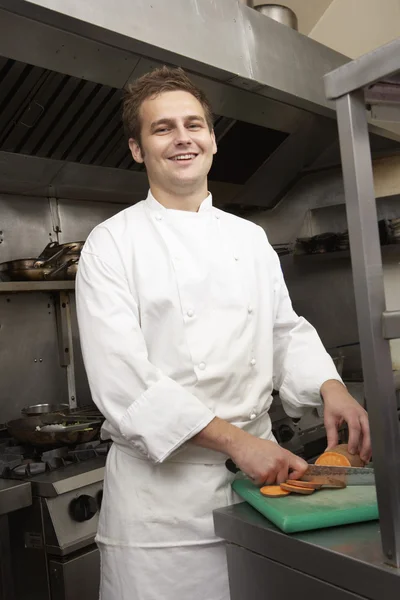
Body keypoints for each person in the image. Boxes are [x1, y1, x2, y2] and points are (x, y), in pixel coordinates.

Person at [76, 66, 371, 600]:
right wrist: (239, 443)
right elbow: (125, 383)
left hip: (263, 490)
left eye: (194, 125)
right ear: (138, 150)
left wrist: (331, 387)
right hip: (162, 514)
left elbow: (283, 330)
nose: (182, 137)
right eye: (162, 128)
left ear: (212, 140)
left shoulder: (250, 238)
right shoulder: (111, 244)